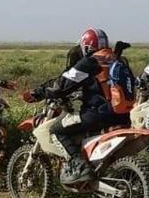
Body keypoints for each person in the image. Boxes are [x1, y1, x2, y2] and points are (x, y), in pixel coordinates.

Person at [24, 28, 130, 181]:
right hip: (122, 115)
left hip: (97, 114)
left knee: (56, 131)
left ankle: (80, 166)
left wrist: (38, 93)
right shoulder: (117, 60)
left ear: (86, 46)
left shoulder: (90, 62)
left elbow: (62, 84)